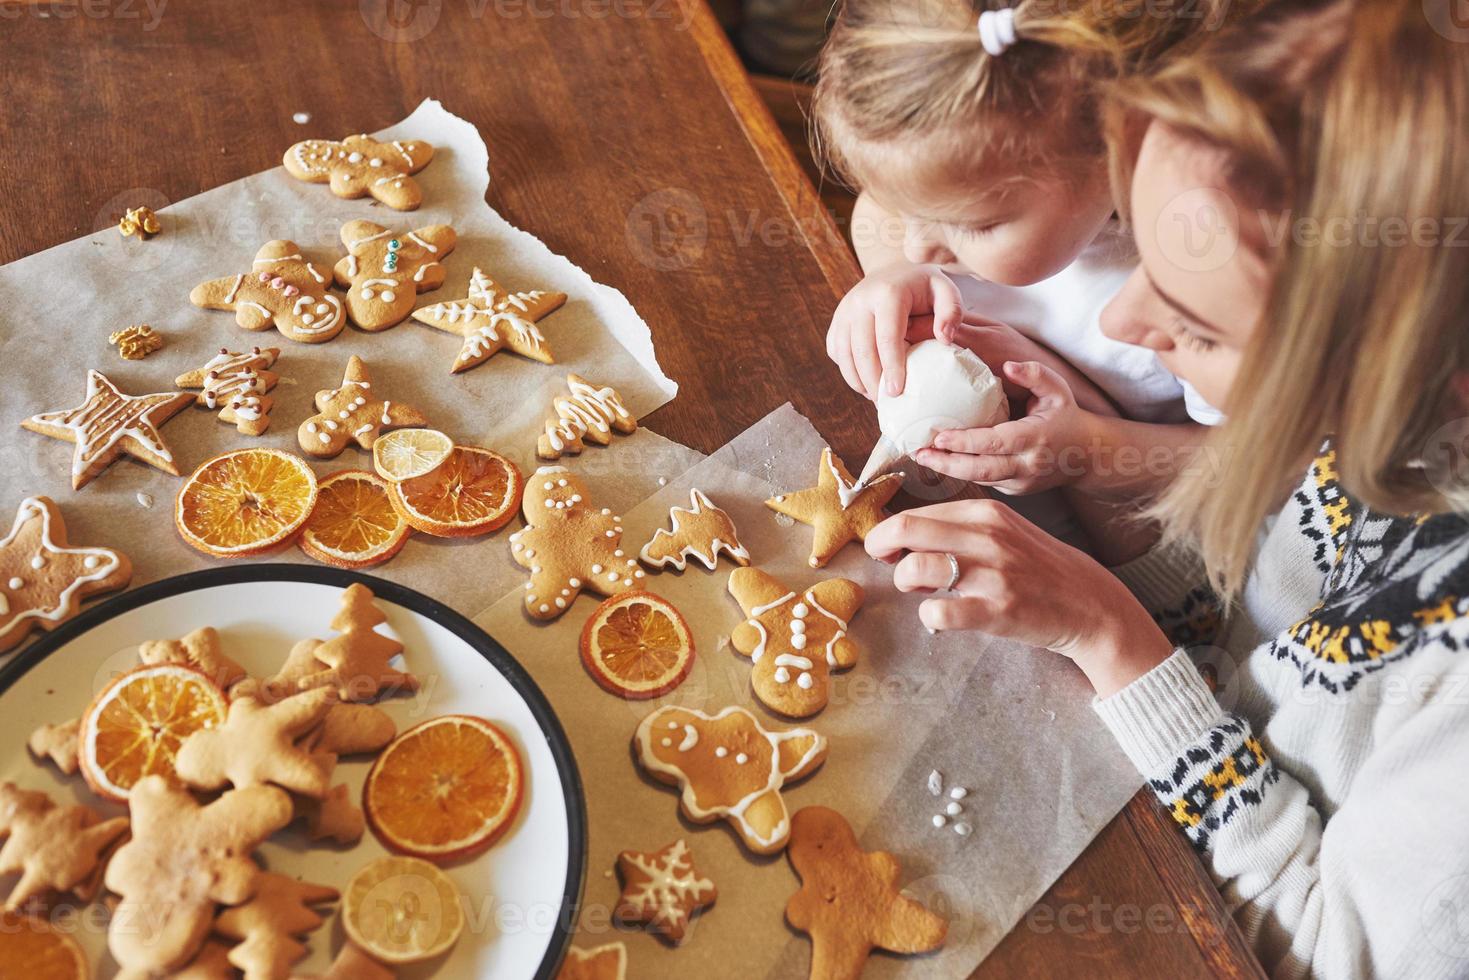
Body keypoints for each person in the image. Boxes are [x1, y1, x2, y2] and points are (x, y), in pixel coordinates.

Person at [865, 0, 1469, 974]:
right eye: (1140, 256)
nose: (1119, 315)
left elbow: (1316, 952)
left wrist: (1110, 637)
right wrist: (1089, 485)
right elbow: (1242, 629)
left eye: (1195, 327)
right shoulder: (1375, 431)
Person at [812, 0, 1252, 562]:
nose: (921, 243)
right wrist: (890, 272)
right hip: (956, 489)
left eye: (971, 224)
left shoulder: (1206, 279)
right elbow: (880, 211)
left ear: (1120, 142)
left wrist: (1087, 450)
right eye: (912, 210)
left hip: (1096, 544)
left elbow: (1254, 459)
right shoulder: (968, 178)